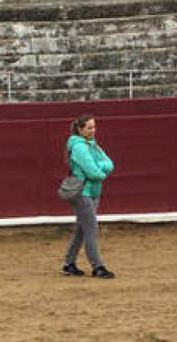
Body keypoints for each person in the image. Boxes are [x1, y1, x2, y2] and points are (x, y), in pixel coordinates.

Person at [61, 113, 115, 279]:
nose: (93, 130)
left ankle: (69, 263)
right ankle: (97, 266)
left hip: (93, 191)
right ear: (80, 129)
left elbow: (110, 163)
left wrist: (100, 168)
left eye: (94, 127)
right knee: (91, 229)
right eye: (89, 128)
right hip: (83, 192)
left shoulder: (92, 144)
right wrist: (101, 171)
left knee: (81, 230)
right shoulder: (79, 147)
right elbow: (94, 172)